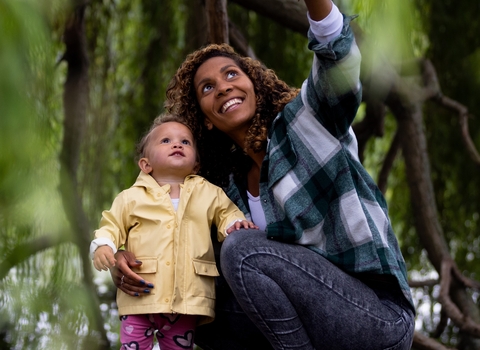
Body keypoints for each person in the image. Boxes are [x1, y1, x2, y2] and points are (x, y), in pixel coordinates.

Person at [112, 0, 416, 349]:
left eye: (231, 74)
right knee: (202, 306)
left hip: (376, 318)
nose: (223, 87)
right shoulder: (225, 190)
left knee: (242, 248)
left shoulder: (307, 122)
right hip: (313, 327)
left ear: (253, 83)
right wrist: (123, 255)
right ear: (206, 120)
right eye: (207, 88)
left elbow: (338, 59)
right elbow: (172, 245)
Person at [90, 113, 258, 350]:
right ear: (146, 164)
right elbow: (111, 224)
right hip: (140, 295)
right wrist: (104, 245)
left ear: (196, 164)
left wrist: (235, 224)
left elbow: (226, 213)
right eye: (166, 141)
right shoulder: (131, 197)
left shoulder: (208, 192)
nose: (177, 144)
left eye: (185, 142)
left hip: (188, 299)